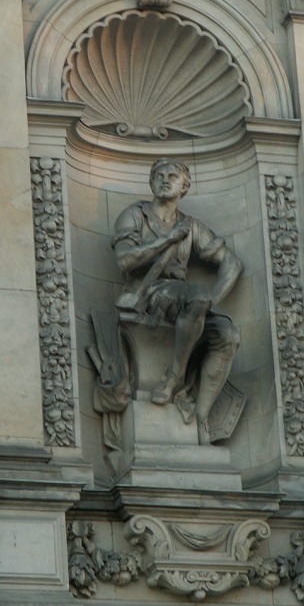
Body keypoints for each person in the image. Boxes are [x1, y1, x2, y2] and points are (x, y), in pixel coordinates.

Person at [112, 159, 242, 444]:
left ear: (185, 186)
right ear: (150, 182)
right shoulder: (134, 215)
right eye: (159, 175)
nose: (165, 179)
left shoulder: (191, 226)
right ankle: (174, 377)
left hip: (185, 299)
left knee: (228, 336)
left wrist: (209, 302)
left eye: (173, 176)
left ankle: (201, 416)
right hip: (148, 293)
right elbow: (124, 261)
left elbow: (232, 264)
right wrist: (166, 240)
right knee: (195, 297)